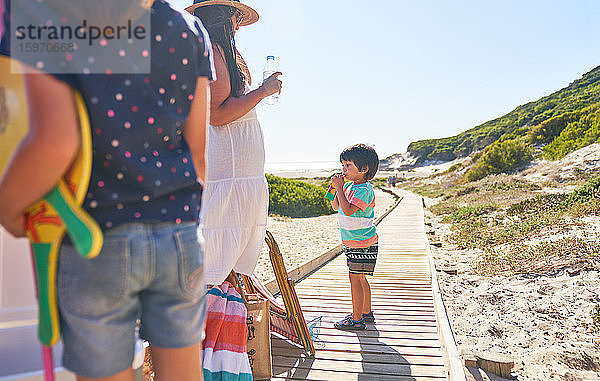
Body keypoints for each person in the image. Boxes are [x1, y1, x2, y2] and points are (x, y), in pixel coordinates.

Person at [0, 1, 215, 379]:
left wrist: (7, 207)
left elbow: (54, 142)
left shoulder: (45, 16)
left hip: (95, 237)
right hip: (180, 234)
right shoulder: (191, 31)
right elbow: (198, 156)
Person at [186, 0, 282, 285]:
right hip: (229, 171)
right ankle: (219, 321)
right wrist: (262, 92)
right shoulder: (213, 51)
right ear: (222, 15)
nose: (238, 22)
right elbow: (217, 114)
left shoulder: (220, 49)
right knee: (220, 256)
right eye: (236, 14)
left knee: (227, 252)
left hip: (237, 172)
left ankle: (225, 315)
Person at [329, 144, 379, 330]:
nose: (344, 169)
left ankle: (357, 319)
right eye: (343, 165)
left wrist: (341, 188)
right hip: (354, 241)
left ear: (364, 169)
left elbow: (349, 210)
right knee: (360, 278)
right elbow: (336, 206)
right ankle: (366, 312)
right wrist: (336, 189)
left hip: (362, 242)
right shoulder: (349, 186)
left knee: (355, 278)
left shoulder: (365, 189)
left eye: (348, 165)